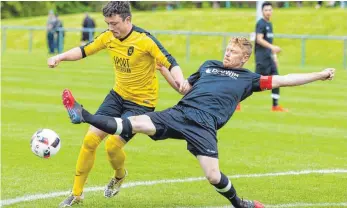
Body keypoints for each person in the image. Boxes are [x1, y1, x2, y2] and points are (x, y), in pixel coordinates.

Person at [61, 37, 335, 208]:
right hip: (181, 112)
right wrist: (166, 72)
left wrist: (320, 74)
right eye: (227, 49)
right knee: (134, 123)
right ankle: (82, 115)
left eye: (233, 52)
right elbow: (183, 88)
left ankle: (239, 203)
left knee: (213, 176)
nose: (228, 54)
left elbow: (285, 79)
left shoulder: (250, 79)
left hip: (204, 126)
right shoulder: (208, 65)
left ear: (245, 57)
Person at [47, 1, 184, 207]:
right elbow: (84, 50)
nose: (111, 28)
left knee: (112, 146)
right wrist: (60, 57)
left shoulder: (145, 40)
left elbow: (171, 62)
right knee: (90, 141)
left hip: (141, 103)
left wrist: (180, 81)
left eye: (114, 23)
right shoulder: (108, 36)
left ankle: (119, 176)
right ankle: (76, 194)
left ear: (128, 20)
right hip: (117, 96)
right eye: (108, 23)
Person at [253, 1, 286, 112]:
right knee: (255, 82)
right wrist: (272, 47)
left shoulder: (269, 24)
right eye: (266, 10)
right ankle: (236, 100)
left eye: (270, 10)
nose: (268, 12)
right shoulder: (261, 23)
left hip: (269, 57)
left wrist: (274, 56)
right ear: (262, 11)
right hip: (261, 57)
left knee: (277, 78)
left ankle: (275, 106)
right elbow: (259, 39)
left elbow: (268, 41)